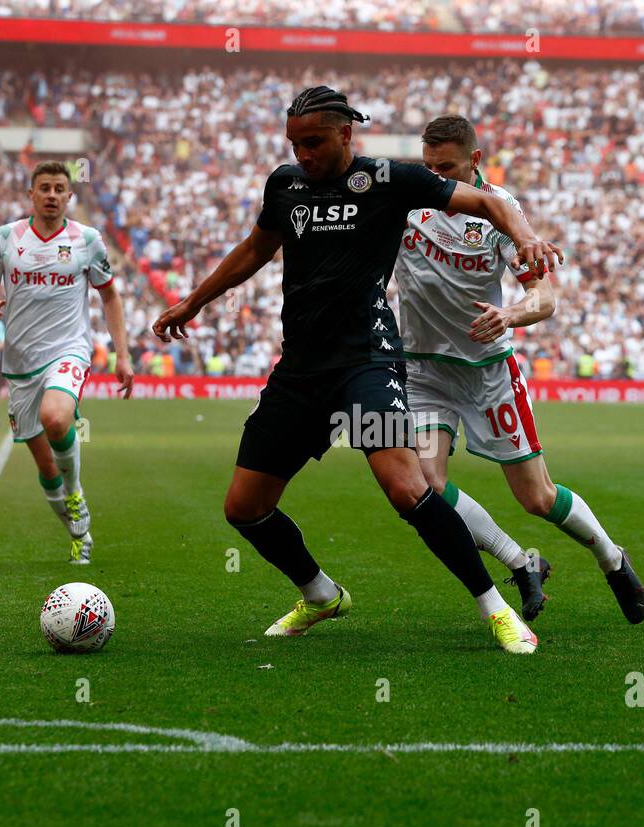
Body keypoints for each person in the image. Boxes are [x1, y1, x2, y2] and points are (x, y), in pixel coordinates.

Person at [153, 86, 564, 654]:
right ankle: (322, 594)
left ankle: (495, 609)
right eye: (295, 143)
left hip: (367, 365)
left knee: (406, 486)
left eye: (315, 142)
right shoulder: (286, 185)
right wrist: (192, 302)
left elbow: (490, 203)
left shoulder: (391, 181)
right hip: (301, 373)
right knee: (243, 507)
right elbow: (255, 249)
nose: (304, 154)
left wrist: (524, 237)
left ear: (346, 134)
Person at [395, 115, 644, 625]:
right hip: (423, 370)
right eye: (429, 167)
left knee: (536, 497)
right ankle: (520, 561)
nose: (437, 177)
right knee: (426, 483)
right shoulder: (408, 199)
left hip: (488, 371)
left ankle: (611, 557)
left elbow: (544, 299)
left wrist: (510, 313)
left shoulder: (500, 211)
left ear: (475, 160)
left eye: (447, 167)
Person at [0, 160, 134, 564]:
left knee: (58, 418)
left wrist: (122, 354)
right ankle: (78, 532)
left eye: (59, 188)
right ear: (31, 194)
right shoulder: (6, 238)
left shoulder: (88, 240)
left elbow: (110, 295)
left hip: (69, 350)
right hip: (21, 362)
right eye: (44, 187)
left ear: (69, 195)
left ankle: (75, 488)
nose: (51, 195)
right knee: (46, 468)